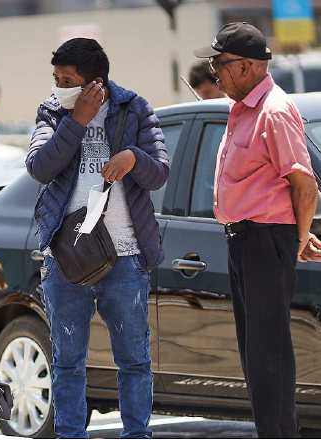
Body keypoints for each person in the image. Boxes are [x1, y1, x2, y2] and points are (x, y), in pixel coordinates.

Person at [25, 38, 169, 439]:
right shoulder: (54, 112)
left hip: (125, 255)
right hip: (67, 257)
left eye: (67, 79)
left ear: (95, 82)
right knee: (67, 360)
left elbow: (159, 173)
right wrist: (77, 121)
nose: (59, 86)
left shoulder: (134, 108)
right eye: (56, 78)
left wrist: (133, 159)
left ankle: (137, 434)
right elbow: (39, 167)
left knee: (134, 360)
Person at [194, 22, 321, 437]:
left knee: (269, 354)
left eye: (220, 64)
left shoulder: (274, 110)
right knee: (254, 352)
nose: (215, 73)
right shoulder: (241, 108)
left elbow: (304, 184)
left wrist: (296, 239)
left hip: (266, 239)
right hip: (246, 238)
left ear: (247, 66)